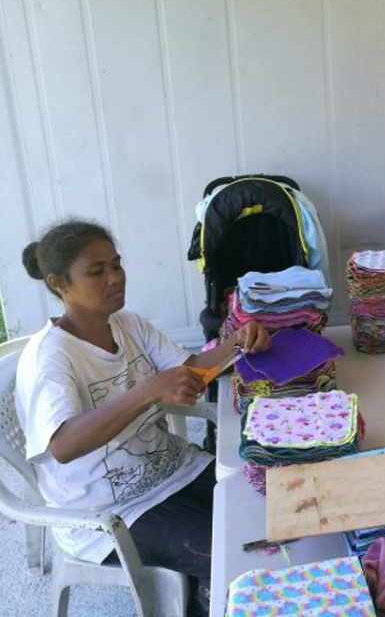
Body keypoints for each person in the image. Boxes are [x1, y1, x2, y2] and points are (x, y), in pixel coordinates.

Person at [15, 219, 270, 617]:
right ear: (57, 283)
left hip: (173, 470)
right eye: (97, 271)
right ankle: (207, 602)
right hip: (111, 512)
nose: (115, 278)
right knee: (237, 553)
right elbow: (62, 445)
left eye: (116, 264)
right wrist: (149, 390)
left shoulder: (128, 323)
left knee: (266, 511)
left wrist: (238, 341)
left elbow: (194, 368)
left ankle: (210, 591)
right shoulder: (51, 358)